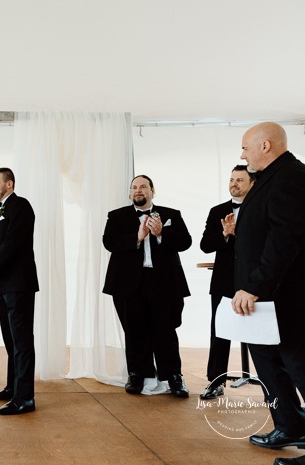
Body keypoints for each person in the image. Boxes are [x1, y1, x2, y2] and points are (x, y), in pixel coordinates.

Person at [230, 123, 305, 464]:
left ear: (265, 145)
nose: (242, 154)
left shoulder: (291, 176)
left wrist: (256, 286)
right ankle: (289, 425)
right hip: (263, 302)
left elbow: (285, 239)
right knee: (269, 365)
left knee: (298, 366)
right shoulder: (271, 178)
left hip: (284, 298)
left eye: (245, 147)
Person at [102, 175, 192, 397]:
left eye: (143, 186)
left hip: (164, 283)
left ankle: (174, 377)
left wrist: (161, 233)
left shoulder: (171, 214)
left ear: (153, 190)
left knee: (166, 331)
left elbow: (186, 242)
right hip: (129, 283)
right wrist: (138, 236)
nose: (138, 190)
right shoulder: (117, 216)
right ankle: (137, 374)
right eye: (134, 187)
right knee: (134, 331)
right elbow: (109, 242)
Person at [0, 168, 39, 415]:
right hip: (2, 286)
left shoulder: (21, 206)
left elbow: (12, 245)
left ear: (9, 184)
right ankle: (13, 388)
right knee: (11, 341)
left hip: (19, 286)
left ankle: (25, 399)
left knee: (22, 342)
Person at [199, 165, 255, 399]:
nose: (234, 183)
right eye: (232, 179)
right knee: (219, 331)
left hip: (254, 283)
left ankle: (274, 385)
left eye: (240, 180)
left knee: (262, 334)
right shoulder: (217, 211)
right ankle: (216, 381)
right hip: (223, 282)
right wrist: (224, 234)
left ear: (252, 183)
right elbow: (205, 245)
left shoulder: (260, 209)